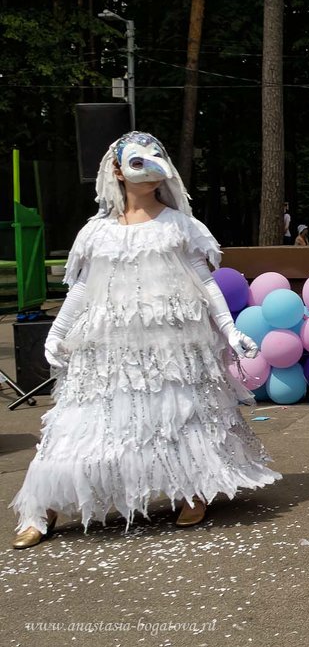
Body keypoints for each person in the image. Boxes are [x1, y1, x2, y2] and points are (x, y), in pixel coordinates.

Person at [10, 132, 280, 548]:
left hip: (169, 343)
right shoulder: (97, 233)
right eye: (140, 159)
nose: (152, 164)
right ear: (117, 170)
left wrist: (230, 329)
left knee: (176, 415)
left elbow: (205, 282)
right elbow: (80, 288)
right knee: (85, 423)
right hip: (110, 345)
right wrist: (58, 331)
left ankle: (191, 488)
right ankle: (43, 506)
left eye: (158, 156)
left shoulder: (178, 225)